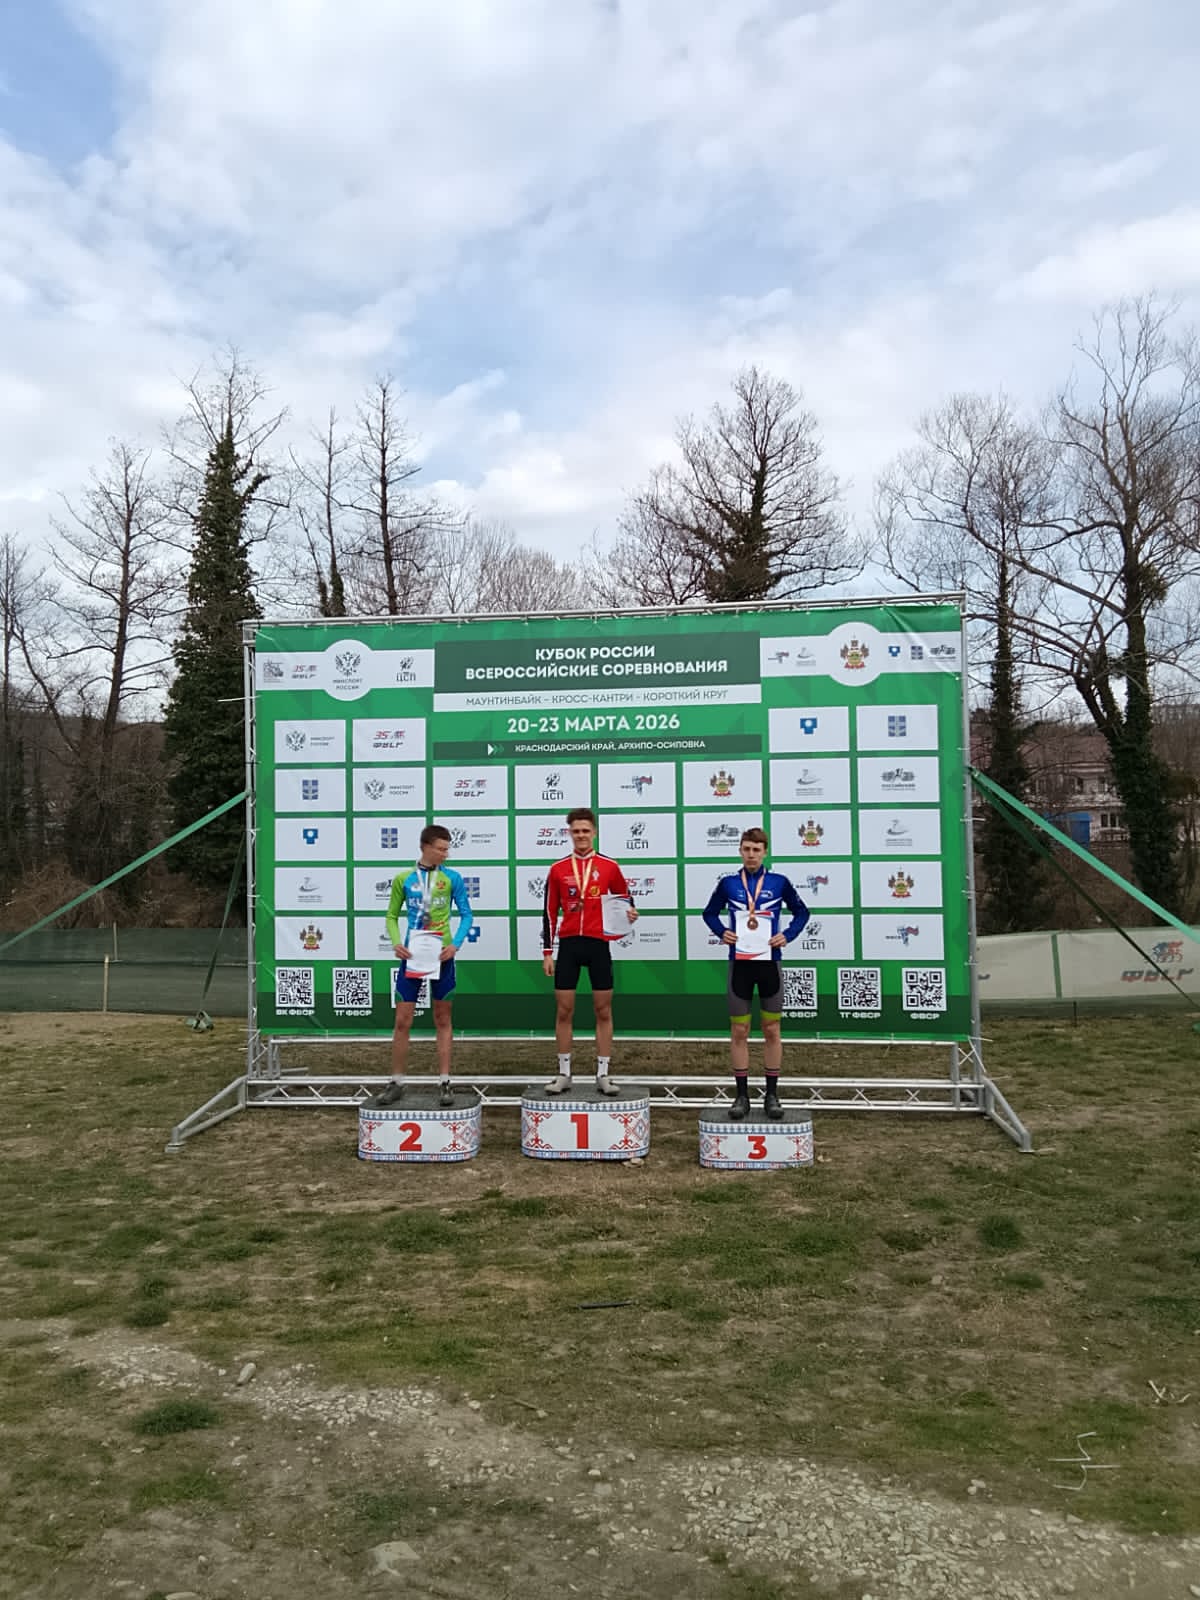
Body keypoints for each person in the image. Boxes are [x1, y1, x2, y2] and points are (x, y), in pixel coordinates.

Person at [702, 826, 809, 1121]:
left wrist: (787, 935)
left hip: (769, 963)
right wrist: (721, 931)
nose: (751, 855)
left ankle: (772, 1095)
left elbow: (802, 912)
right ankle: (742, 1096)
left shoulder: (779, 882)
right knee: (740, 1031)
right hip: (740, 964)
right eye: (746, 849)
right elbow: (709, 913)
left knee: (772, 1029)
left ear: (765, 852)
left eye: (756, 850)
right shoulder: (728, 884)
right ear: (740, 851)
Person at [372, 824, 474, 1109]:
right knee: (403, 1020)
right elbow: (391, 916)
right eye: (441, 849)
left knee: (442, 1018)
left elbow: (467, 915)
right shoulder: (403, 879)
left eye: (447, 849)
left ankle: (445, 1081)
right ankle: (396, 1082)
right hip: (413, 956)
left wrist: (455, 945)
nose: (445, 854)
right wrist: (396, 943)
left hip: (442, 955)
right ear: (425, 847)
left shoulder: (452, 878)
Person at [541, 807, 638, 1095]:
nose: (581, 835)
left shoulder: (609, 866)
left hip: (598, 944)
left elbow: (624, 901)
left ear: (594, 832)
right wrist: (547, 952)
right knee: (564, 1010)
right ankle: (564, 1073)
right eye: (576, 831)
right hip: (569, 945)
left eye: (585, 830)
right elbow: (549, 912)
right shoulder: (558, 869)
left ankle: (603, 1074)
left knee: (603, 1010)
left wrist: (630, 914)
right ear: (569, 833)